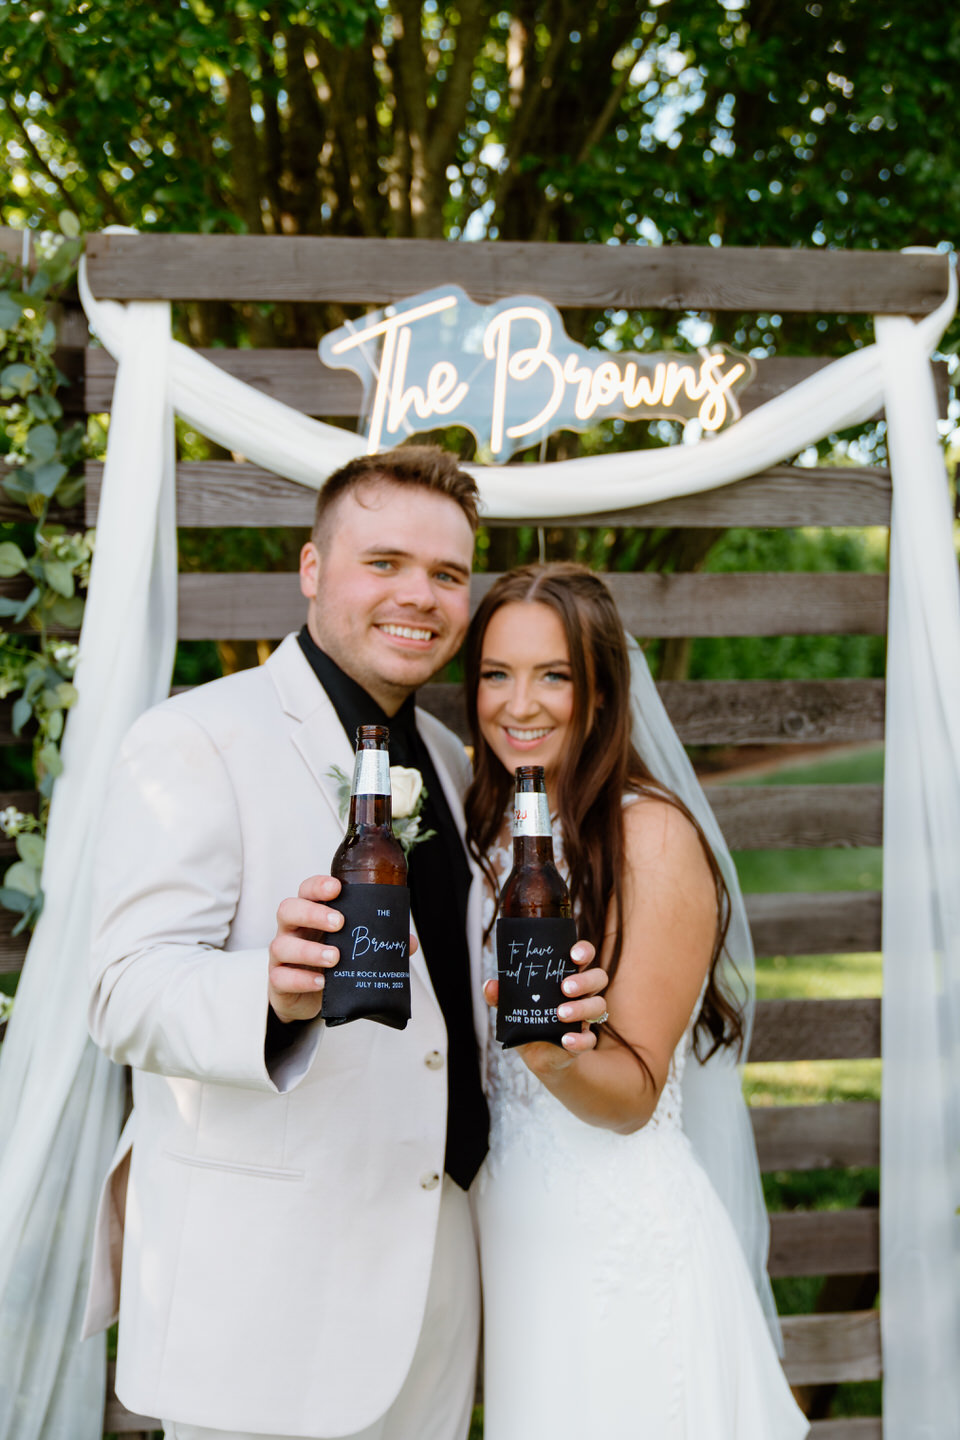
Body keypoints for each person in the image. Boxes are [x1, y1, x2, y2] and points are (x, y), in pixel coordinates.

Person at [82, 449, 607, 1440]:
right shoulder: (197, 738)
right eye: (385, 562)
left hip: (438, 1284)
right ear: (313, 569)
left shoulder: (457, 764)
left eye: (448, 575)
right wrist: (270, 994)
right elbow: (121, 988)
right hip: (266, 1305)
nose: (421, 594)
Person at [464, 562, 810, 1439]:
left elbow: (632, 1094)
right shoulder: (495, 828)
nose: (520, 703)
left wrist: (544, 1051)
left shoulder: (649, 835)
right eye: (497, 673)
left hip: (616, 1248)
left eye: (554, 675)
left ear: (605, 695)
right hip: (520, 1237)